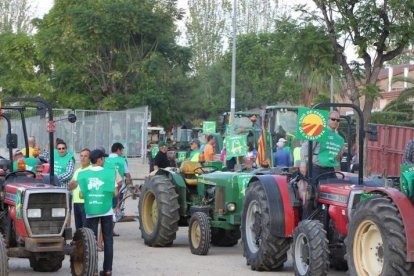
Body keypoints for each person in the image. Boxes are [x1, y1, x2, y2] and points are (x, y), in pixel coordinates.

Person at [77, 149, 120, 276]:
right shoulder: (109, 173)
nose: (104, 160)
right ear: (99, 160)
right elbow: (116, 193)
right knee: (108, 240)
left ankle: (94, 270)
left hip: (91, 210)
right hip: (106, 210)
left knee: (92, 241)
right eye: (103, 158)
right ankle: (107, 270)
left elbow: (80, 194)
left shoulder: (84, 174)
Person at [300, 111, 344, 183]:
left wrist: (338, 172)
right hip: (317, 169)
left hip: (330, 170)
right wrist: (303, 163)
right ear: (327, 119)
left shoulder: (339, 138)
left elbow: (337, 158)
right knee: (314, 192)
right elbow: (306, 147)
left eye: (338, 120)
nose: (335, 121)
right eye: (333, 119)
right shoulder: (319, 132)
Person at [68, 148, 91, 230]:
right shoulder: (77, 171)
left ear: (89, 158)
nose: (83, 158)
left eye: (85, 156)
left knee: (86, 228)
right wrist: (71, 185)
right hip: (76, 202)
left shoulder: (92, 170)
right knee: (79, 229)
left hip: (86, 202)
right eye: (81, 156)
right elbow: (72, 186)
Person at [54, 139, 75, 226]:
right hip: (54, 190)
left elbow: (69, 174)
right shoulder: (54, 155)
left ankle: (67, 229)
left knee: (67, 211)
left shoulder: (70, 159)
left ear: (66, 149)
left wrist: (55, 178)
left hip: (65, 190)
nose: (61, 150)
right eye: (59, 149)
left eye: (63, 148)